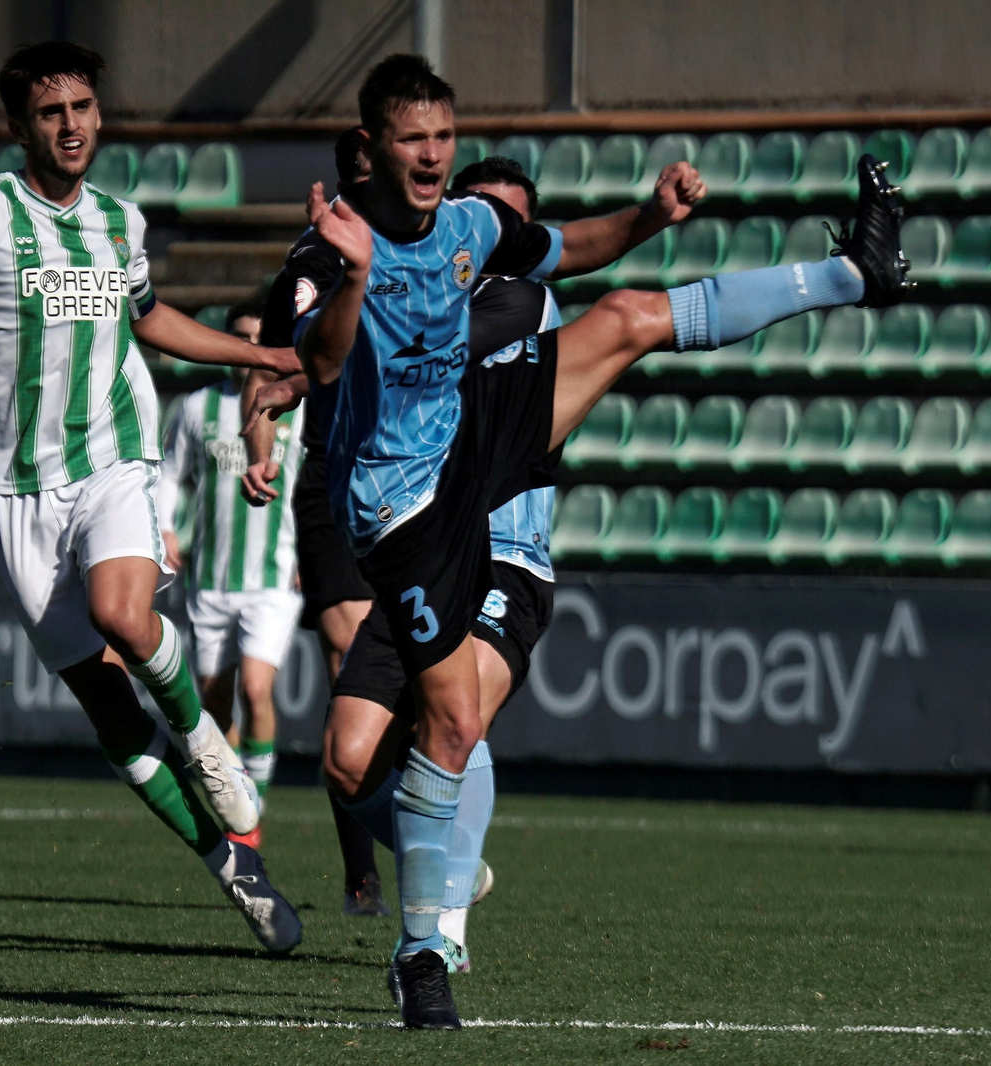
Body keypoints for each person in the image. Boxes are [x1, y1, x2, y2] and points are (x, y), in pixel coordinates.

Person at [292, 54, 910, 1028]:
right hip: (404, 508)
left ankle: (852, 273)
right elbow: (317, 362)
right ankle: (434, 901)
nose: (433, 155)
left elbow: (567, 248)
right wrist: (351, 281)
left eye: (444, 137)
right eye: (415, 140)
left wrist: (649, 218)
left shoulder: (473, 228)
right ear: (372, 147)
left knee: (625, 316)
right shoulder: (329, 247)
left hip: (471, 444)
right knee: (394, 742)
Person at [0, 40, 302, 952]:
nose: (71, 125)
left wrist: (257, 352)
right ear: (19, 126)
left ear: (99, 114)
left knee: (123, 615)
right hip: (15, 489)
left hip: (112, 459)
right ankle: (231, 865)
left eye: (83, 108)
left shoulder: (118, 223)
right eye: (52, 112)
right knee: (109, 709)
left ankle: (207, 745)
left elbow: (148, 317)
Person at [245, 155, 560, 981]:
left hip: (498, 554)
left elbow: (400, 352)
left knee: (451, 718)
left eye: (507, 224)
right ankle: (429, 863)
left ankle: (437, 929)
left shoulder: (527, 305)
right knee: (347, 756)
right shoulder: (407, 282)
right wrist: (277, 404)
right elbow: (298, 348)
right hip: (390, 518)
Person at [241, 126, 392, 917]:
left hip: (425, 469)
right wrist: (259, 447)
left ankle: (429, 835)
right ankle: (364, 869)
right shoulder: (314, 259)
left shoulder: (447, 239)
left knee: (430, 682)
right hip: (337, 473)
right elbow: (273, 360)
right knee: (350, 658)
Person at [156, 298, 304, 849]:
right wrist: (165, 529)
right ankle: (241, 799)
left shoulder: (296, 407)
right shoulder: (198, 408)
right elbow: (168, 474)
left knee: (258, 690)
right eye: (242, 337)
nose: (251, 349)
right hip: (210, 579)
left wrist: (314, 550)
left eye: (261, 338)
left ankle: (252, 811)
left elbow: (317, 481)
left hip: (274, 575)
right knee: (215, 701)